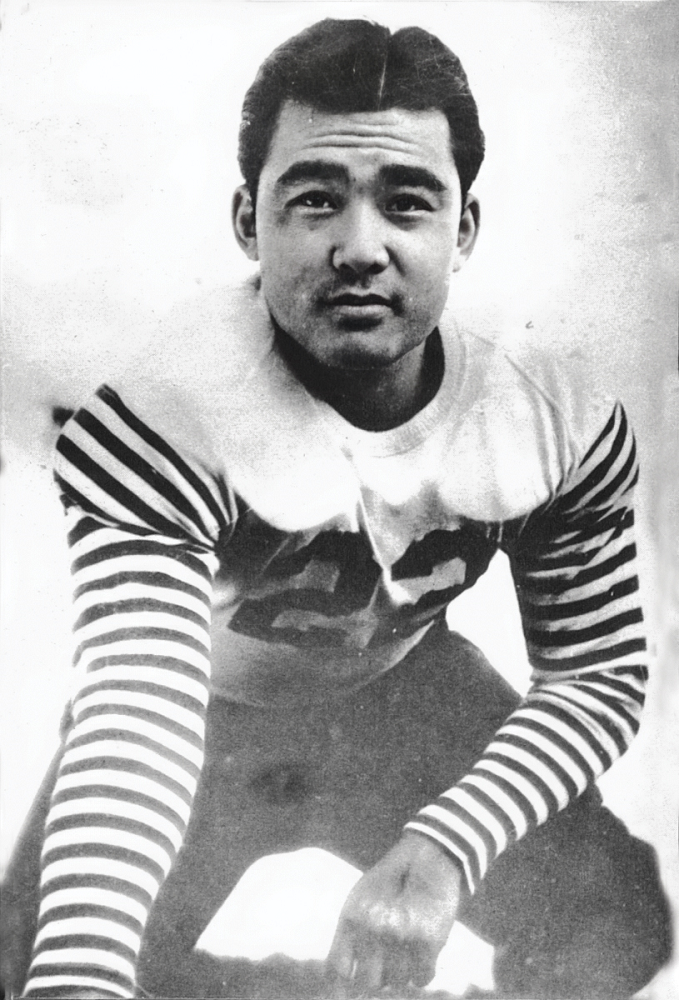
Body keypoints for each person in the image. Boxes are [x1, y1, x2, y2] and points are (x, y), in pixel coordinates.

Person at [2, 18, 672, 1000]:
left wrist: (450, 842)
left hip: (407, 696)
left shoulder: (549, 416)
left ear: (463, 229)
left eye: (406, 202)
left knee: (618, 917)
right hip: (202, 710)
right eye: (315, 199)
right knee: (39, 969)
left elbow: (597, 670)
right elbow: (135, 710)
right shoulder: (165, 411)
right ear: (248, 220)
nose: (360, 249)